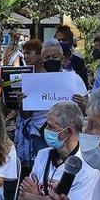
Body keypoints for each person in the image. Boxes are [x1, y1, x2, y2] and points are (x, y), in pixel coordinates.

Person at [11, 39, 84, 176]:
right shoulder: (33, 82)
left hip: (68, 134)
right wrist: (22, 103)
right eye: (47, 57)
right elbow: (26, 115)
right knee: (43, 168)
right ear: (41, 59)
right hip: (41, 134)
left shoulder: (74, 79)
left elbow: (85, 111)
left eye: (55, 57)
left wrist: (83, 103)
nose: (51, 60)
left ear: (62, 58)